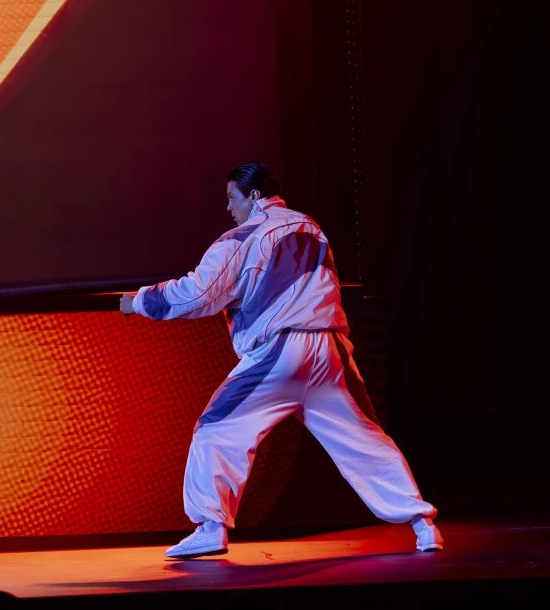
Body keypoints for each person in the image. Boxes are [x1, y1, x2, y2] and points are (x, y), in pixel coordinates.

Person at [121, 162, 442, 558]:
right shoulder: (311, 227)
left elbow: (198, 294)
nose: (229, 208)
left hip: (281, 348)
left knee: (217, 429)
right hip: (329, 350)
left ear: (254, 196)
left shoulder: (244, 236)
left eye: (232, 198)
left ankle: (210, 527)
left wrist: (139, 301)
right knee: (364, 440)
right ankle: (422, 524)